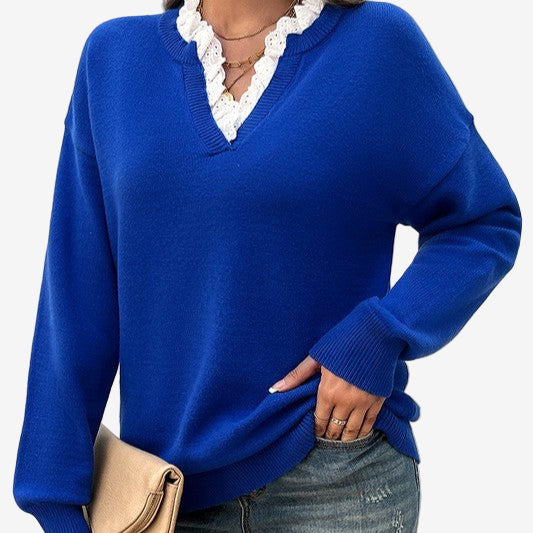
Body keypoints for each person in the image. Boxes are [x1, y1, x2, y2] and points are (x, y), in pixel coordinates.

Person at [13, 0, 522, 531]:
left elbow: (484, 220)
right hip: (162, 496)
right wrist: (54, 497)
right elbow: (76, 297)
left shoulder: (379, 45)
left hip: (337, 476)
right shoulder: (113, 59)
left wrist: (379, 335)